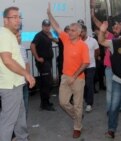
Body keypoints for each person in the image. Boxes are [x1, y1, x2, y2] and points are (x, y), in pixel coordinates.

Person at [47, 3, 90, 138]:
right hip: (65, 77)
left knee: (77, 105)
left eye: (72, 30)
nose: (69, 32)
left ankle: (77, 126)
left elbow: (86, 63)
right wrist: (49, 14)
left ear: (78, 33)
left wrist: (75, 76)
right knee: (63, 102)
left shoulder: (83, 46)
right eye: (69, 30)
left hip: (78, 78)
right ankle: (77, 116)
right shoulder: (65, 39)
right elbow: (57, 26)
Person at [0, 6, 35, 141]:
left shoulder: (10, 35)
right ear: (5, 20)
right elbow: (7, 60)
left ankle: (22, 138)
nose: (18, 20)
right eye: (13, 17)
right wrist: (26, 74)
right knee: (8, 122)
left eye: (19, 17)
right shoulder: (4, 34)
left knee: (20, 118)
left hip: (16, 84)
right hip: (11, 86)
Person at [30, 19, 57, 111]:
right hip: (43, 63)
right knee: (46, 83)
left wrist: (51, 37)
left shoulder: (47, 35)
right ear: (42, 26)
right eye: (45, 26)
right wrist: (37, 58)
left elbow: (56, 41)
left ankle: (45, 102)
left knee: (47, 82)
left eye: (48, 26)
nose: (47, 27)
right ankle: (45, 104)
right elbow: (32, 46)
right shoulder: (39, 35)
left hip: (48, 62)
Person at [80, 24, 100, 112]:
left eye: (82, 32)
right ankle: (85, 98)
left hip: (90, 66)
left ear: (85, 31)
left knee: (89, 84)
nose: (80, 33)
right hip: (80, 67)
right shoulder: (77, 41)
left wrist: (92, 59)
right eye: (79, 32)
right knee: (82, 85)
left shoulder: (93, 41)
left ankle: (89, 103)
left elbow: (97, 51)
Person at [16, 30, 30, 117]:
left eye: (20, 36)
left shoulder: (22, 48)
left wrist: (28, 76)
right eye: (17, 36)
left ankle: (22, 126)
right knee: (15, 107)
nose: (19, 38)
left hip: (24, 81)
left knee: (25, 103)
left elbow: (27, 63)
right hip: (15, 83)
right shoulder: (7, 49)